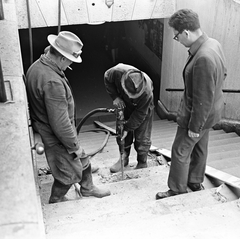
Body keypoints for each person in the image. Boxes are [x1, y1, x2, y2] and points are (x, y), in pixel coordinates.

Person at [26, 31, 111, 204]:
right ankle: (56, 199)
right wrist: (74, 146)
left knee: (81, 156)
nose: (71, 64)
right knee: (67, 172)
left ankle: (87, 187)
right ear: (62, 58)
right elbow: (60, 123)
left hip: (49, 127)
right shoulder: (52, 83)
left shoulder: (39, 64)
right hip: (55, 134)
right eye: (71, 61)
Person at [156, 9, 227, 199]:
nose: (176, 39)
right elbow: (223, 73)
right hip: (212, 113)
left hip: (197, 115)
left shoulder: (202, 57)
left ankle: (176, 189)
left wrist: (195, 125)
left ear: (186, 32)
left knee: (180, 151)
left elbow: (202, 98)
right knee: (200, 147)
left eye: (176, 36)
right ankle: (195, 182)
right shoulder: (214, 44)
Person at [104, 63, 154, 173]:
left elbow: (140, 114)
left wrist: (128, 127)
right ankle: (123, 159)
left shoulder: (147, 92)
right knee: (121, 134)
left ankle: (142, 161)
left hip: (143, 109)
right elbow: (107, 77)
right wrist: (115, 97)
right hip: (124, 104)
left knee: (142, 137)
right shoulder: (117, 71)